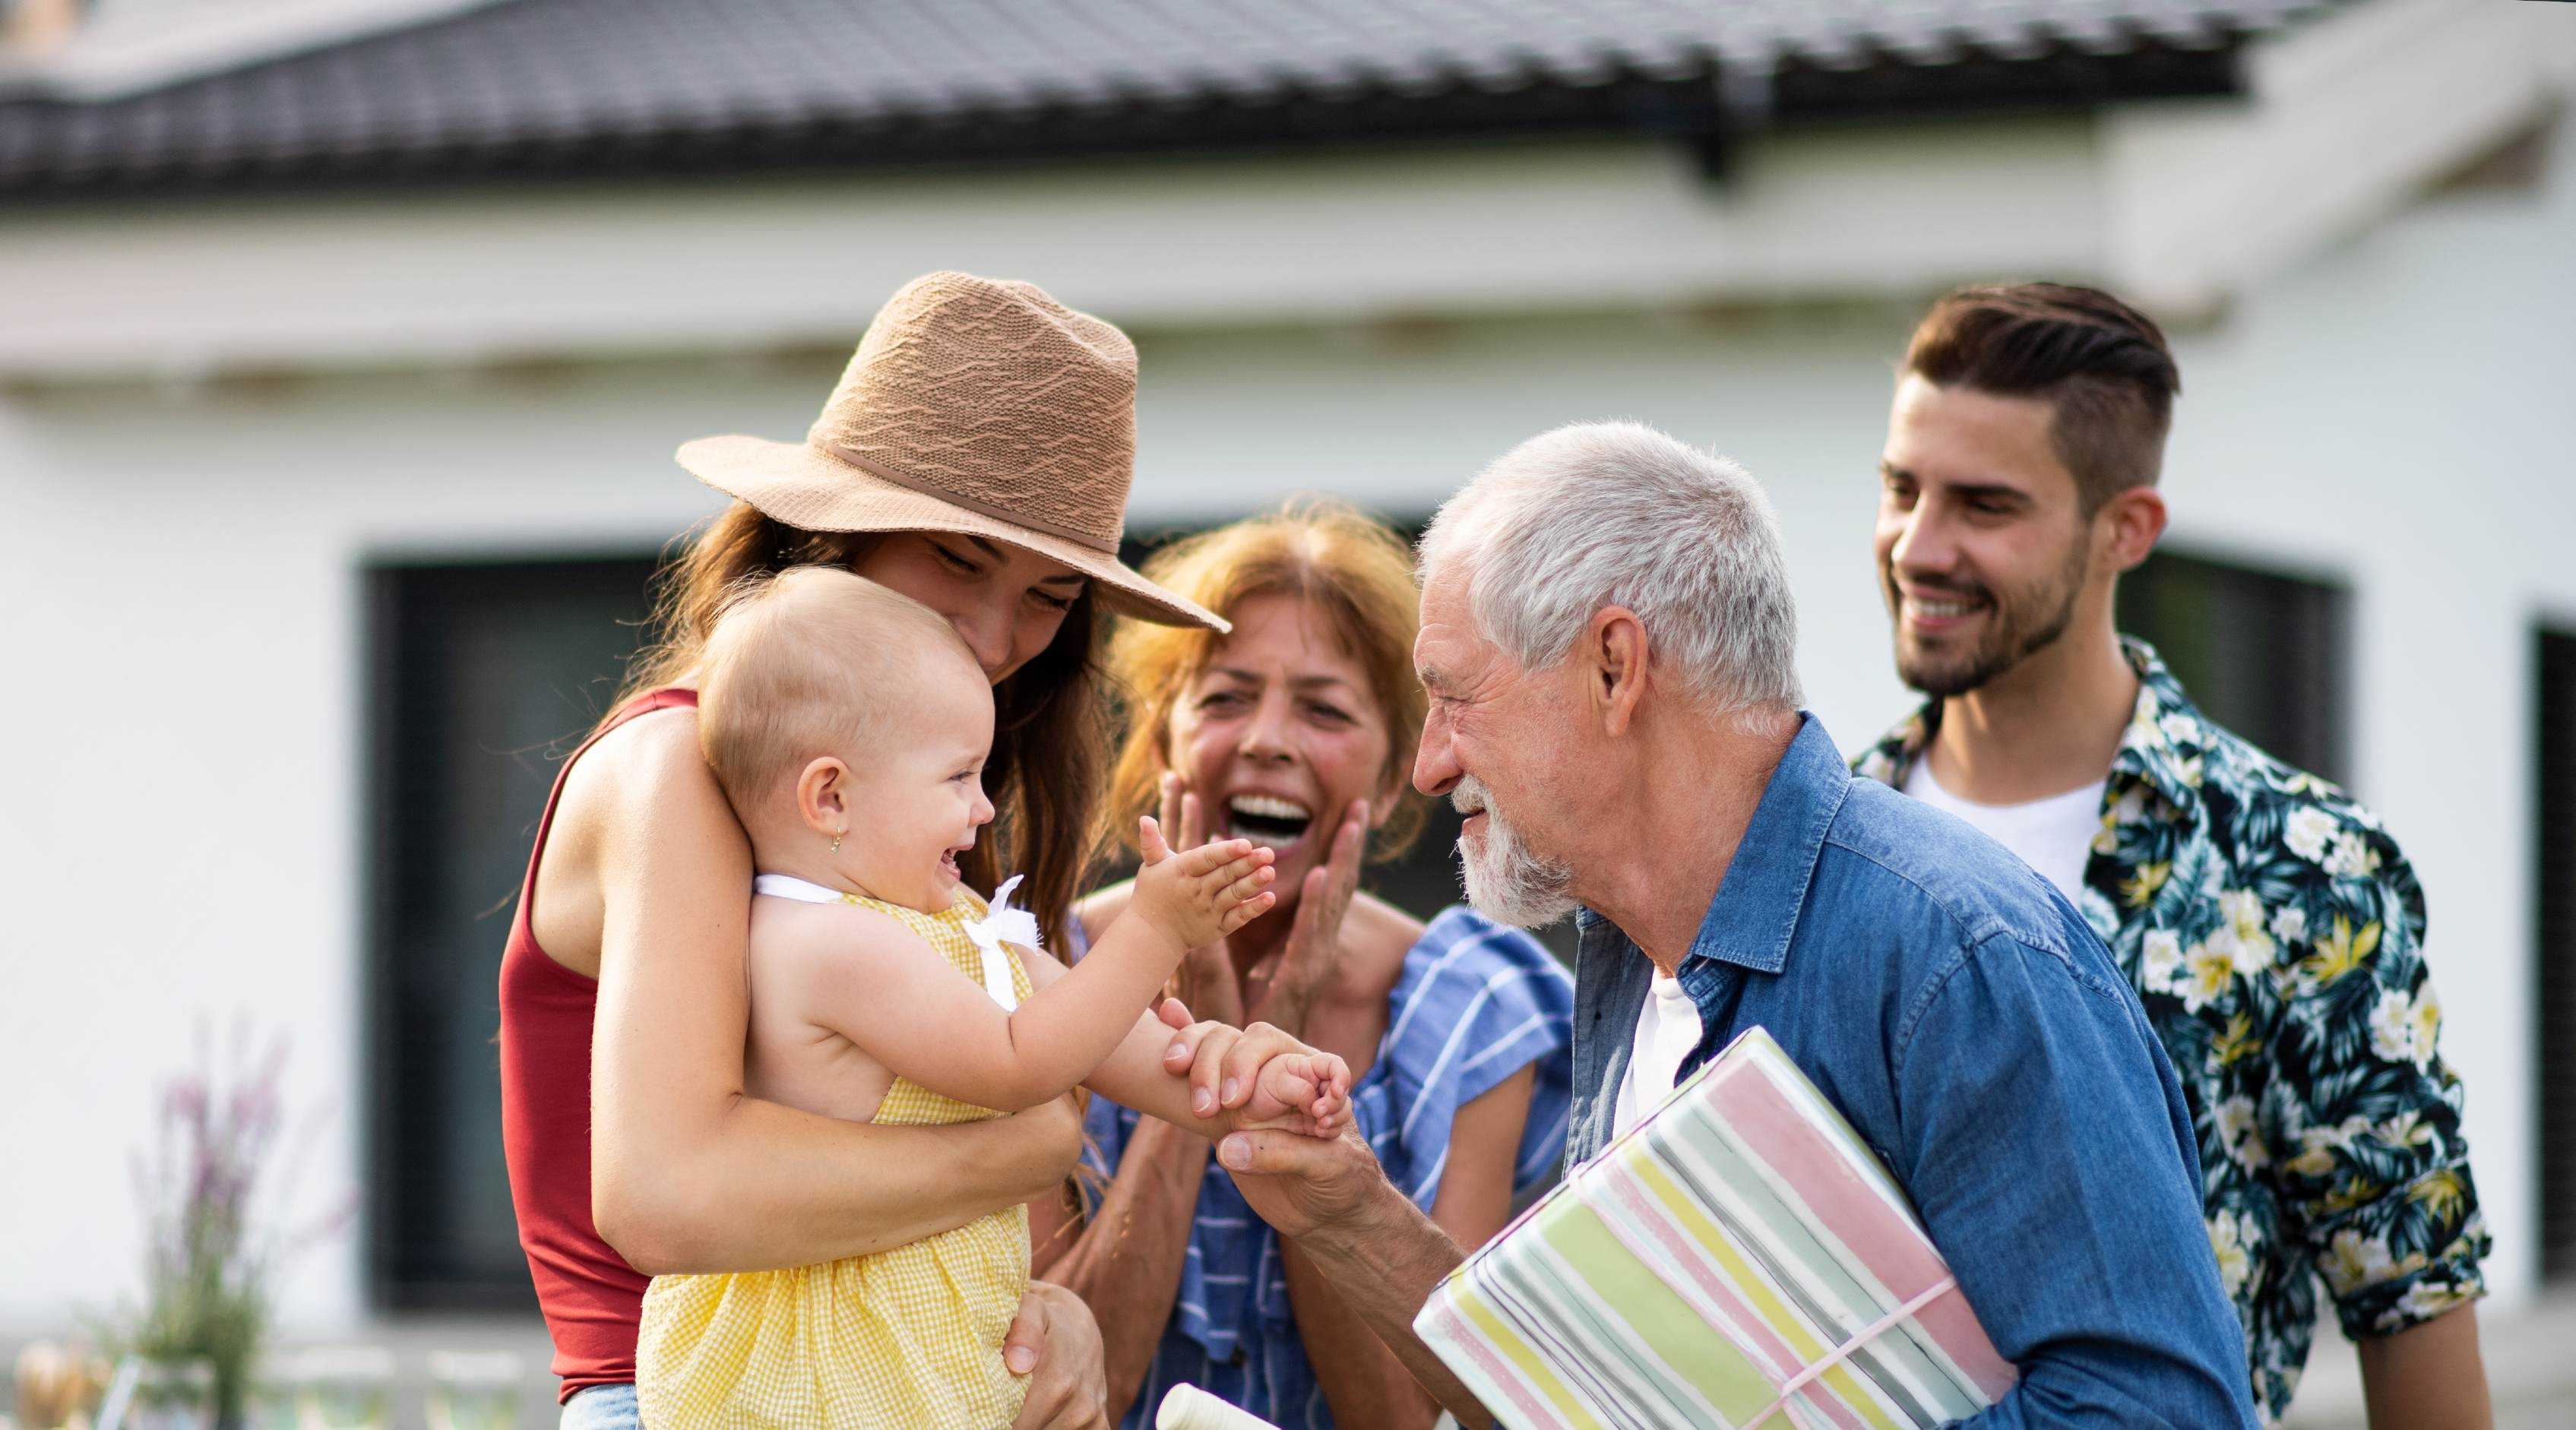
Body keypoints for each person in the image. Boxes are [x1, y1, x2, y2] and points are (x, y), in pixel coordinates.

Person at [1198, 421, 2262, 1426]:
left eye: (1454, 696)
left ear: (1615, 665)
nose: (1429, 762)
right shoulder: (1627, 950)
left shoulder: (1954, 955)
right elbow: (1592, 1403)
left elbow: (2159, 1410)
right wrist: (1347, 1213)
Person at [498, 271, 1315, 1429]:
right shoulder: (677, 768)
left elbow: (878, 1183)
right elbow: (668, 1195)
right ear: (824, 529)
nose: (992, 639)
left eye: (1046, 596)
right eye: (956, 560)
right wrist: (1027, 1141)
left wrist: (1047, 1310)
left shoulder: (908, 815)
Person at [1853, 282, 2491, 1425]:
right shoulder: (1820, 848)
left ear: (2125, 529)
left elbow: (2412, 1306)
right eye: (1902, 487)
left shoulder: (2301, 870)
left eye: (1984, 505)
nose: (1918, 544)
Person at [630, 568, 1350, 1426]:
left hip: (917, 1363)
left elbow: (1107, 1039)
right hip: (832, 1383)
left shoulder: (947, 919)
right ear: (831, 796)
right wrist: (1155, 931)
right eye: (958, 776)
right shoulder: (822, 942)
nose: (981, 809)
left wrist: (1237, 1084)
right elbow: (1022, 1064)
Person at [1032, 502, 1576, 1428]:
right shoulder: (1040, 971)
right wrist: (1206, 1059)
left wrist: (1300, 1049)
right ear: (1162, 743)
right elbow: (1067, 1395)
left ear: (1390, 765)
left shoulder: (1480, 1006)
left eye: (1323, 709)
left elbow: (1410, 1416)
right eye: (1226, 698)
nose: (1268, 740)